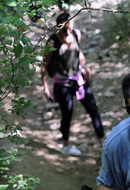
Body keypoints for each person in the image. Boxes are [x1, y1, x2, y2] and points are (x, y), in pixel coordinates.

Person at [40, 12, 105, 156]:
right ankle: (66, 145)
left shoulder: (76, 34)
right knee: (67, 114)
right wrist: (45, 87)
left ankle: (103, 144)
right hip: (61, 84)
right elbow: (44, 65)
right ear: (58, 28)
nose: (67, 32)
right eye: (64, 29)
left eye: (70, 28)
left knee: (93, 110)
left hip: (78, 79)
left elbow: (79, 53)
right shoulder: (52, 42)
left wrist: (85, 67)